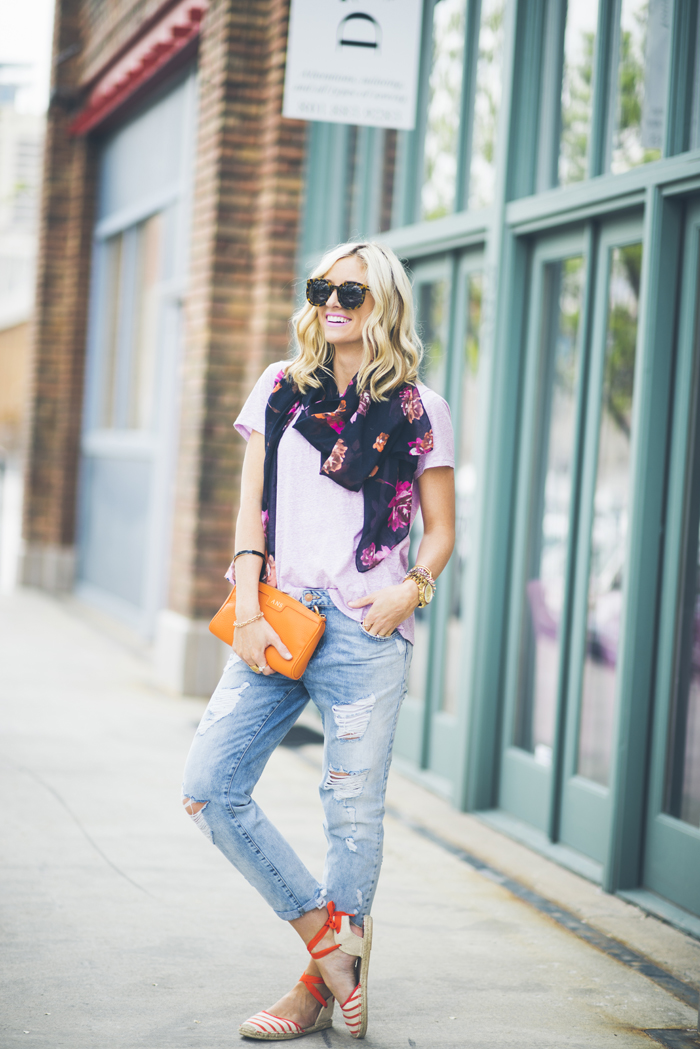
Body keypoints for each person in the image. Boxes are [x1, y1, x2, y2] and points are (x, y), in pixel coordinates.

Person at [181, 241, 455, 1040]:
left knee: (352, 817)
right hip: (277, 614)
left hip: (367, 631)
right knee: (209, 786)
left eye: (353, 292)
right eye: (322, 288)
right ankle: (330, 943)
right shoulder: (281, 388)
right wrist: (249, 598)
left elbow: (440, 531)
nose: (333, 302)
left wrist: (411, 586)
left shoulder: (418, 408)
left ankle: (312, 990)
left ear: (386, 307)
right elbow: (250, 507)